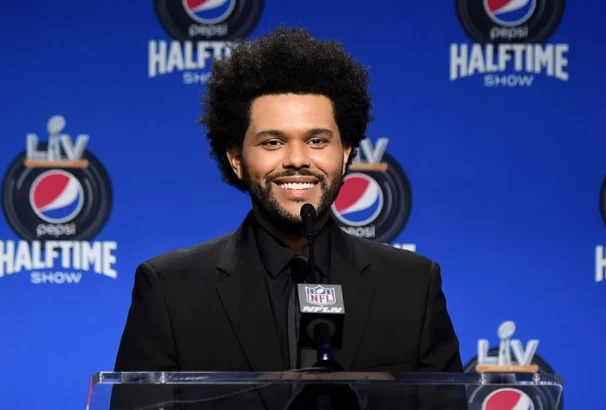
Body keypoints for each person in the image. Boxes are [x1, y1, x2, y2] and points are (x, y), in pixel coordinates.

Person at [111, 27, 463, 409]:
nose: (297, 159)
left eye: (317, 140)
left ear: (345, 153)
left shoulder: (412, 286)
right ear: (236, 160)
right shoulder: (170, 290)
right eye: (273, 142)